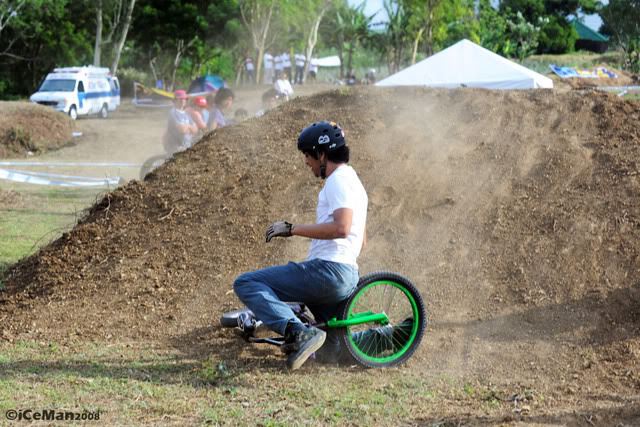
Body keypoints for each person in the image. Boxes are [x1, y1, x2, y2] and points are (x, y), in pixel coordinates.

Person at [234, 121, 368, 370]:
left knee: (247, 282)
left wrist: (292, 229)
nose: (306, 162)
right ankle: (393, 335)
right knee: (334, 351)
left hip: (328, 272)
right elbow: (361, 241)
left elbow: (342, 228)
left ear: (321, 154)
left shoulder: (338, 181)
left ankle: (297, 331)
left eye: (307, 155)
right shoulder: (355, 183)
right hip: (345, 273)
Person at [163, 89, 198, 154]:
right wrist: (189, 127)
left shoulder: (186, 114)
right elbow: (182, 130)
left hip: (186, 145)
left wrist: (187, 127)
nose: (183, 101)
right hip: (175, 146)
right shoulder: (173, 112)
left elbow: (196, 129)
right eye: (180, 99)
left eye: (184, 99)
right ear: (175, 100)